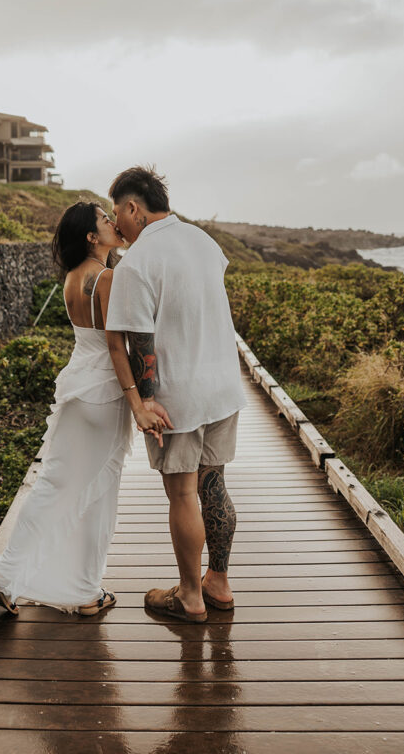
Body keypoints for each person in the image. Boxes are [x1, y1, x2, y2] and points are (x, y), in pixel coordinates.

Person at [0, 201, 169, 615]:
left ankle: (28, 577)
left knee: (55, 484)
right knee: (99, 495)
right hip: (105, 392)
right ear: (91, 236)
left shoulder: (73, 278)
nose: (113, 223)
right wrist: (139, 402)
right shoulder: (106, 278)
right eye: (105, 220)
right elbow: (117, 347)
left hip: (76, 387)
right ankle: (71, 588)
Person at [105, 166, 246, 623]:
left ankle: (189, 595)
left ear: (133, 208)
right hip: (223, 385)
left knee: (183, 494)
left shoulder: (138, 262)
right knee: (214, 483)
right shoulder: (204, 242)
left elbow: (139, 342)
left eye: (116, 214)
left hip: (178, 396)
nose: (117, 225)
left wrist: (144, 401)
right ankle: (218, 584)